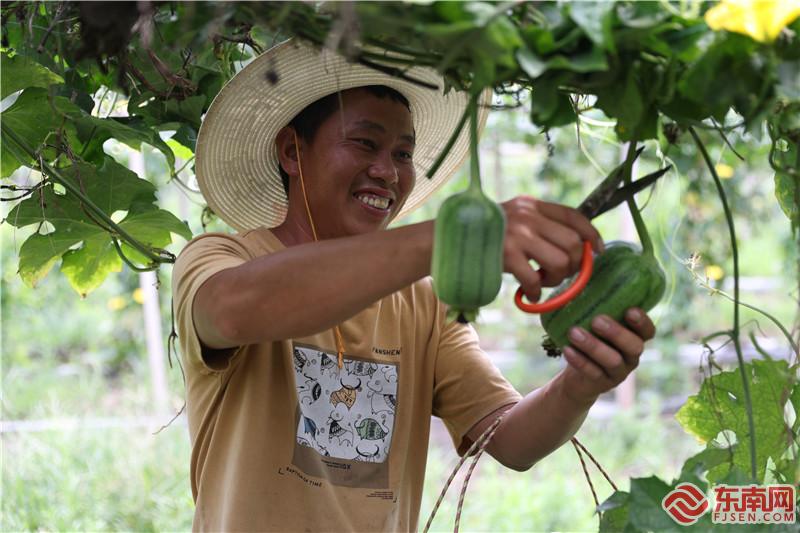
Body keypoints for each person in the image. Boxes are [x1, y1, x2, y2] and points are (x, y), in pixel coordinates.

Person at [172, 39, 656, 532]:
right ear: (292, 152)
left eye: (403, 154)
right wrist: (452, 235)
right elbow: (233, 310)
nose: (387, 172)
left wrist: (581, 384)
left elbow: (509, 441)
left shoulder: (424, 300)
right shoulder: (220, 259)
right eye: (365, 143)